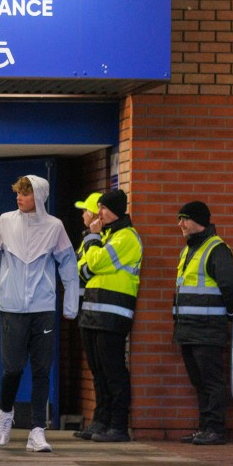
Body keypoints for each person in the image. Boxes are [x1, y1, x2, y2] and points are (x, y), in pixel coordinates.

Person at [0, 174, 78, 453]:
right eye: (18, 193)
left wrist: (70, 305)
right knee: (12, 369)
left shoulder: (54, 227)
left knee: (42, 369)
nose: (19, 197)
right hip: (11, 308)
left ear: (40, 196)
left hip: (43, 308)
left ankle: (37, 430)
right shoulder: (5, 221)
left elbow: (68, 267)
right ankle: (6, 412)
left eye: (26, 193)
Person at [77, 189, 142, 443]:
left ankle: (118, 426)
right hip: (93, 312)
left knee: (113, 371)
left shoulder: (126, 237)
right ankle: (100, 421)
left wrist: (92, 239)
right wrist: (93, 242)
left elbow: (93, 264)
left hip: (113, 314)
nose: (99, 212)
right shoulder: (104, 236)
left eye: (103, 208)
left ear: (116, 210)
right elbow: (82, 269)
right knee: (98, 371)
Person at [173, 201, 233, 446]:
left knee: (211, 381)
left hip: (208, 328)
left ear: (197, 221)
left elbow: (229, 286)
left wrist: (230, 313)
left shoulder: (216, 249)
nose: (180, 224)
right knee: (199, 382)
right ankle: (205, 428)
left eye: (184, 219)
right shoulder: (188, 250)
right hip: (189, 328)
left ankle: (216, 429)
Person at [71, 192, 106, 440]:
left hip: (98, 311)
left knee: (104, 370)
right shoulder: (88, 239)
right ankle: (98, 420)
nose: (82, 214)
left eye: (85, 210)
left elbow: (84, 270)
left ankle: (103, 420)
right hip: (87, 310)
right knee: (96, 368)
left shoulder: (97, 240)